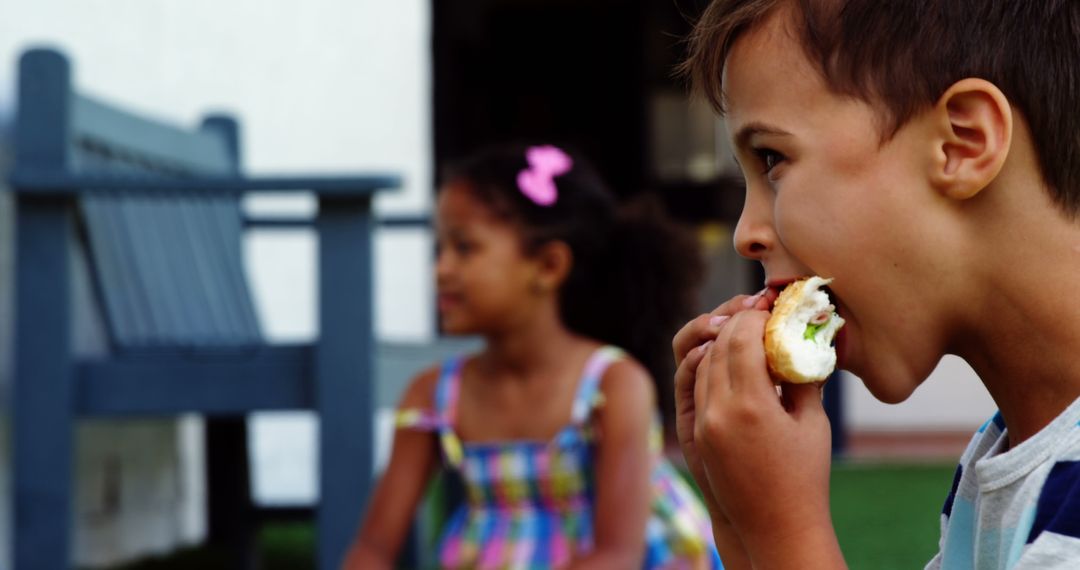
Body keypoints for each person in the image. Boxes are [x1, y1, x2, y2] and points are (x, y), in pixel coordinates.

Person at [671, 0, 1080, 568]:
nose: (747, 234)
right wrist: (738, 517)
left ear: (961, 142)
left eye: (771, 158)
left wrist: (784, 535)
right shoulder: (1007, 454)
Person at [345, 143, 720, 569]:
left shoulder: (611, 385)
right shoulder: (433, 395)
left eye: (464, 248)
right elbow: (373, 549)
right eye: (440, 249)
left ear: (547, 266)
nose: (441, 269)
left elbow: (616, 554)